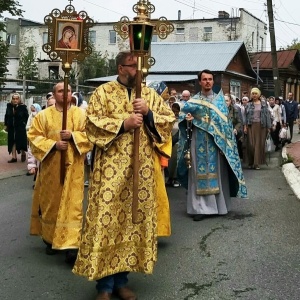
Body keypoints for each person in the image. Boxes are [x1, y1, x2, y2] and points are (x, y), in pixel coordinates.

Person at [72, 51, 175, 300]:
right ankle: (104, 287)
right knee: (106, 223)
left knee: (132, 225)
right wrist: (124, 124)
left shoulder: (149, 94)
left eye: (140, 66)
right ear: (121, 68)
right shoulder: (103, 92)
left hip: (141, 173)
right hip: (110, 173)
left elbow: (169, 121)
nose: (138, 71)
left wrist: (149, 113)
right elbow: (92, 124)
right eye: (132, 66)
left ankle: (122, 282)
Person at [27, 82, 92, 264]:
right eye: (61, 91)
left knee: (73, 206)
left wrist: (72, 136)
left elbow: (91, 136)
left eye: (68, 90)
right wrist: (54, 145)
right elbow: (34, 137)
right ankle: (50, 238)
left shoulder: (81, 114)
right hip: (51, 168)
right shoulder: (43, 116)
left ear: (72, 94)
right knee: (52, 203)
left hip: (74, 169)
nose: (65, 93)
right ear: (54, 94)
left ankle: (71, 245)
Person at [177, 69, 247, 222]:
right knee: (197, 174)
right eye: (204, 79)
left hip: (216, 144)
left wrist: (225, 144)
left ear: (213, 81)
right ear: (200, 82)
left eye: (210, 79)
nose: (207, 82)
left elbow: (226, 125)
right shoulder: (193, 102)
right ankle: (199, 208)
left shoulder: (220, 102)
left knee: (218, 173)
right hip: (198, 141)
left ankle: (218, 206)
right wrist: (188, 121)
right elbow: (182, 120)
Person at [244, 87, 272, 170]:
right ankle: (251, 162)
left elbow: (267, 116)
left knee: (258, 145)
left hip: (261, 126)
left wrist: (268, 127)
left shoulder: (264, 104)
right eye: (253, 93)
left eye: (256, 93)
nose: (254, 95)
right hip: (251, 126)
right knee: (251, 145)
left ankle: (256, 163)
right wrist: (245, 126)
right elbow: (245, 116)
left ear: (259, 94)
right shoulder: (248, 104)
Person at [4, 93, 29, 163]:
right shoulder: (9, 106)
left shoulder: (23, 107)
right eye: (14, 99)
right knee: (12, 141)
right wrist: (6, 124)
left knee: (21, 141)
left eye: (17, 99)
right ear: (11, 99)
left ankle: (23, 152)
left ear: (19, 99)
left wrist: (24, 124)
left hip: (20, 127)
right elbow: (6, 115)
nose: (15, 100)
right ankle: (14, 157)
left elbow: (26, 116)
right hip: (11, 127)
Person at [26, 103, 42, 176]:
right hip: (32, 137)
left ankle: (38, 173)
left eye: (34, 110)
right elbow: (27, 126)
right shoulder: (30, 117)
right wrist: (31, 128)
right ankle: (32, 167)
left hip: (39, 138)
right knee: (31, 152)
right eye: (32, 110)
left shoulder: (41, 116)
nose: (33, 112)